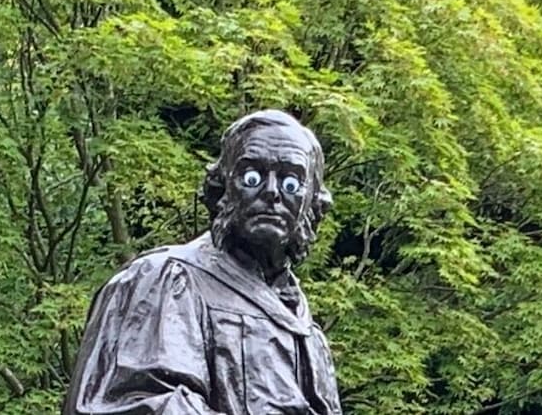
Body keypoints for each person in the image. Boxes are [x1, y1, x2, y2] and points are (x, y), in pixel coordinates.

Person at [63, 110, 342, 414]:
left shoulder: (307, 330)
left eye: (291, 182)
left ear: (312, 202)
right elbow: (144, 403)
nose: (272, 192)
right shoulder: (165, 279)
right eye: (252, 176)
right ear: (223, 188)